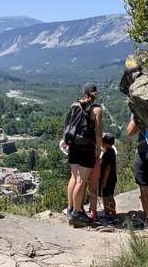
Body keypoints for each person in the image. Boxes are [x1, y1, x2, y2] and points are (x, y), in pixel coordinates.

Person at [65, 82, 102, 226]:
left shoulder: (74, 105)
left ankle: (71, 208)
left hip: (73, 145)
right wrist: (98, 148)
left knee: (74, 177)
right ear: (95, 94)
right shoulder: (96, 109)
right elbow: (98, 133)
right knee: (82, 180)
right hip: (86, 147)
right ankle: (76, 214)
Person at [99, 132, 117, 224]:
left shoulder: (108, 154)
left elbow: (107, 168)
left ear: (105, 142)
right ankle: (113, 214)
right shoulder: (111, 151)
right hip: (112, 178)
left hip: (108, 179)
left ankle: (108, 214)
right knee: (110, 195)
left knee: (106, 197)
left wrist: (104, 182)